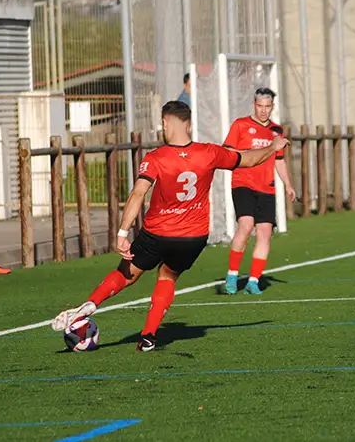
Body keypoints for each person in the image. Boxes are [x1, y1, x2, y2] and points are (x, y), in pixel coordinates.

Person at [50, 101, 288, 351]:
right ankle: (149, 335)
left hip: (157, 233)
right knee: (168, 276)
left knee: (126, 273)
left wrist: (122, 232)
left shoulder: (156, 158)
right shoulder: (210, 152)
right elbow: (248, 160)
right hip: (194, 238)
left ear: (165, 124)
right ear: (190, 124)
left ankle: (91, 304)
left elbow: (138, 193)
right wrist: (273, 146)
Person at [223, 87, 296, 295]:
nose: (263, 110)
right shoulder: (240, 125)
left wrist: (288, 184)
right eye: (260, 106)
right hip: (243, 183)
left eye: (267, 106)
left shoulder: (277, 131)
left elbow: (279, 161)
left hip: (267, 188)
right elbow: (228, 151)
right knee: (245, 226)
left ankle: (253, 281)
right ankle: (232, 275)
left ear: (272, 106)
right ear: (254, 105)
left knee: (264, 233)